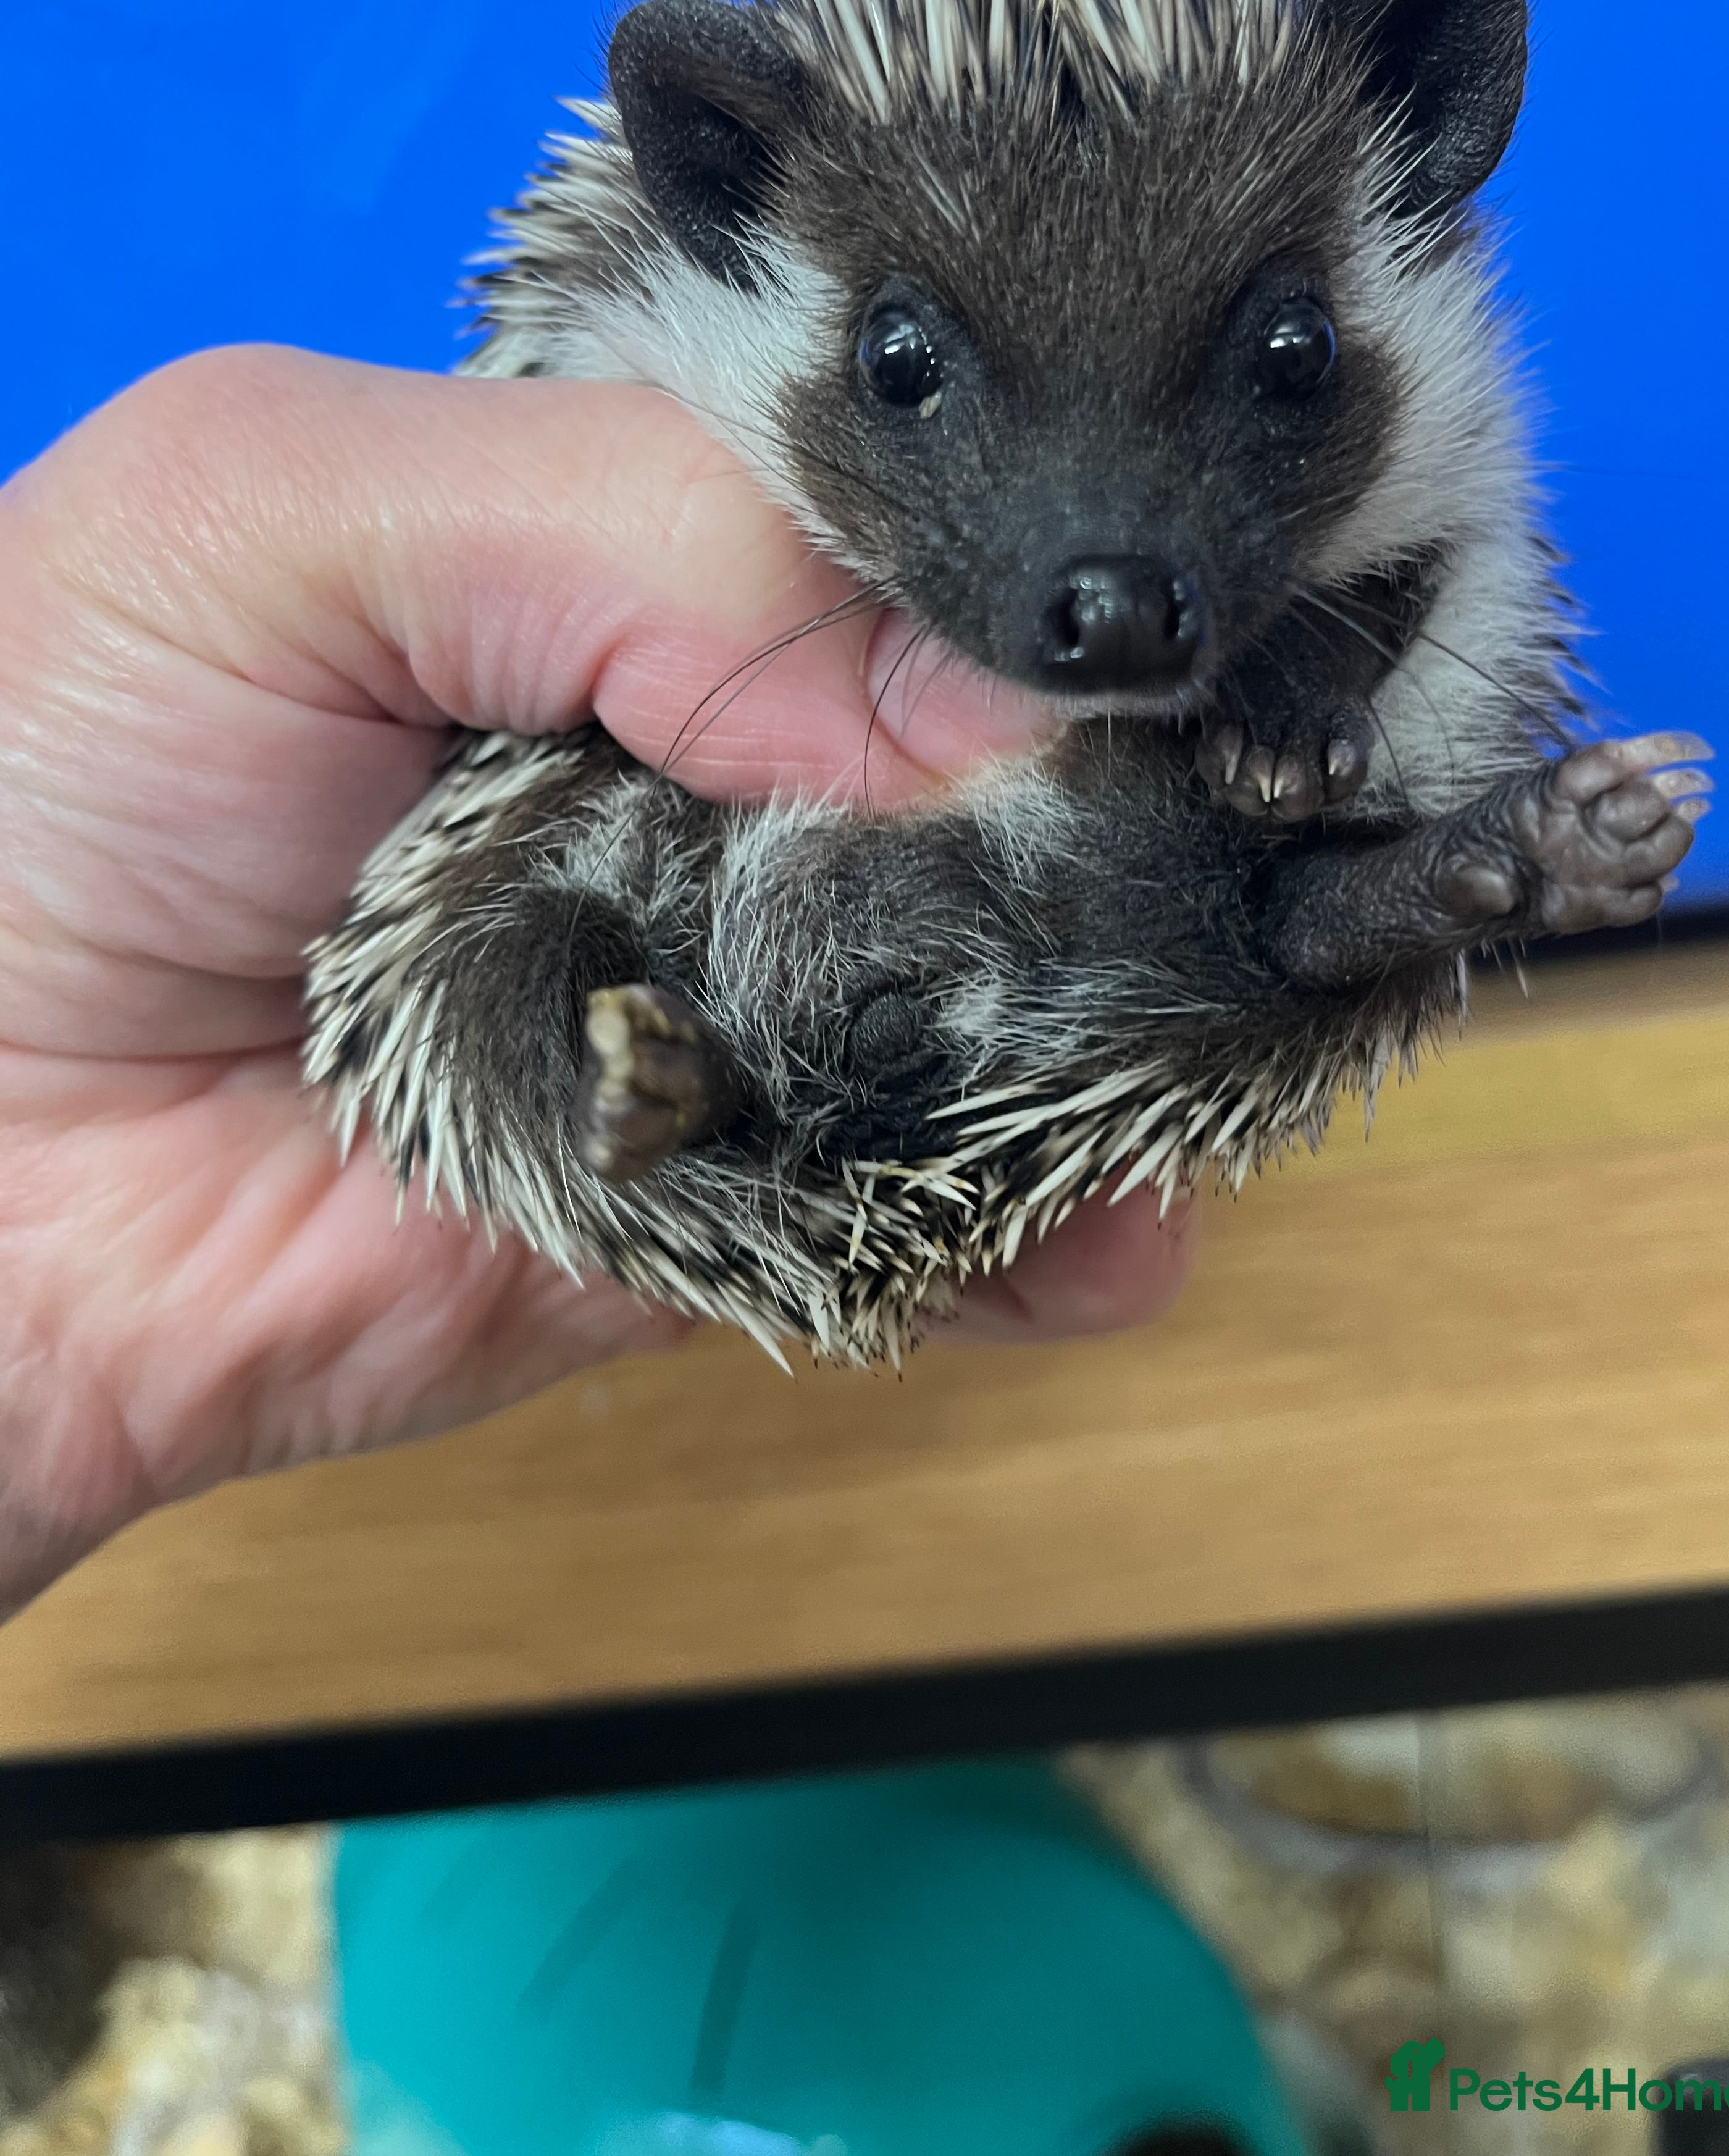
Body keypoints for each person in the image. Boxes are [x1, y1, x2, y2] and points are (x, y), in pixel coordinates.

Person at [0, 348, 1196, 1622]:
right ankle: (667, 1073)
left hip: (934, 963)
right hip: (580, 910)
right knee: (526, 971)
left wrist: (65, 1343)